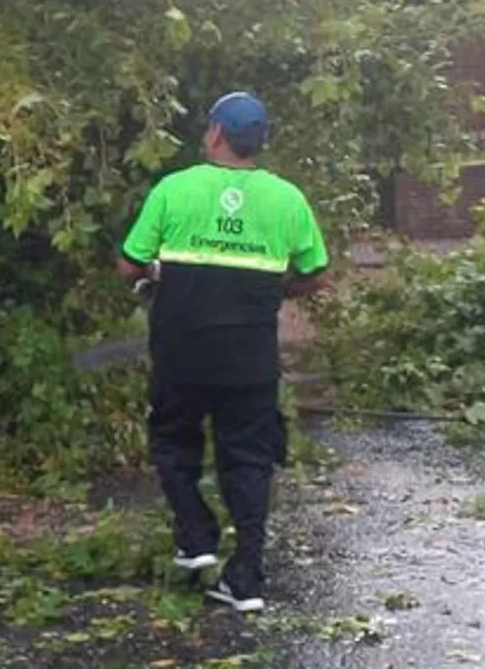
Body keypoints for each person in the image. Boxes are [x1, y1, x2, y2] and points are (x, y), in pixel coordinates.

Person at [117, 92, 329, 613]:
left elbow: (128, 265)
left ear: (215, 133)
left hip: (181, 356)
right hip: (249, 363)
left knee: (171, 442)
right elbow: (317, 272)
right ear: (259, 142)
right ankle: (246, 580)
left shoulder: (175, 189)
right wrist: (281, 291)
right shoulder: (287, 200)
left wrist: (155, 277)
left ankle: (196, 537)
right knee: (250, 460)